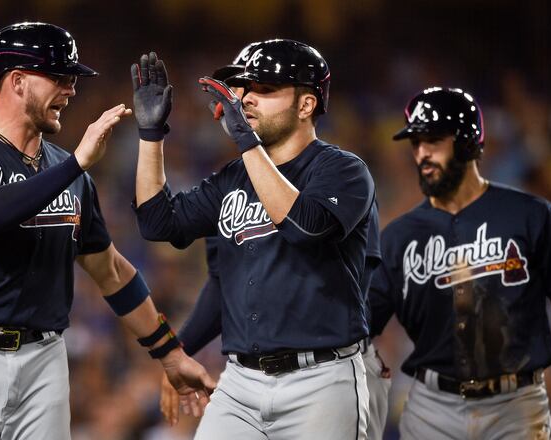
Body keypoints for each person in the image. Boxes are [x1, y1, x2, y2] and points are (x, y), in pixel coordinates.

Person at [0, 22, 214, 440]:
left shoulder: (67, 172)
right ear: (17, 81)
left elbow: (111, 271)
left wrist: (170, 353)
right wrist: (75, 164)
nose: (71, 89)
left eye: (72, 79)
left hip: (43, 360)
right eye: (59, 77)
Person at [132, 39, 376, 439]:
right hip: (240, 382)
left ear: (306, 105)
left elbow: (304, 228)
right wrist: (151, 134)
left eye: (264, 89)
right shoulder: (233, 177)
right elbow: (159, 224)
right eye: (244, 88)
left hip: (320, 381)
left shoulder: (343, 171)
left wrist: (246, 140)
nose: (245, 99)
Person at [369, 87, 551, 439]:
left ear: (469, 143)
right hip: (431, 408)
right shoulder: (399, 237)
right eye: (416, 143)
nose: (422, 153)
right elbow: (362, 326)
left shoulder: (531, 216)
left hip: (516, 406)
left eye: (434, 140)